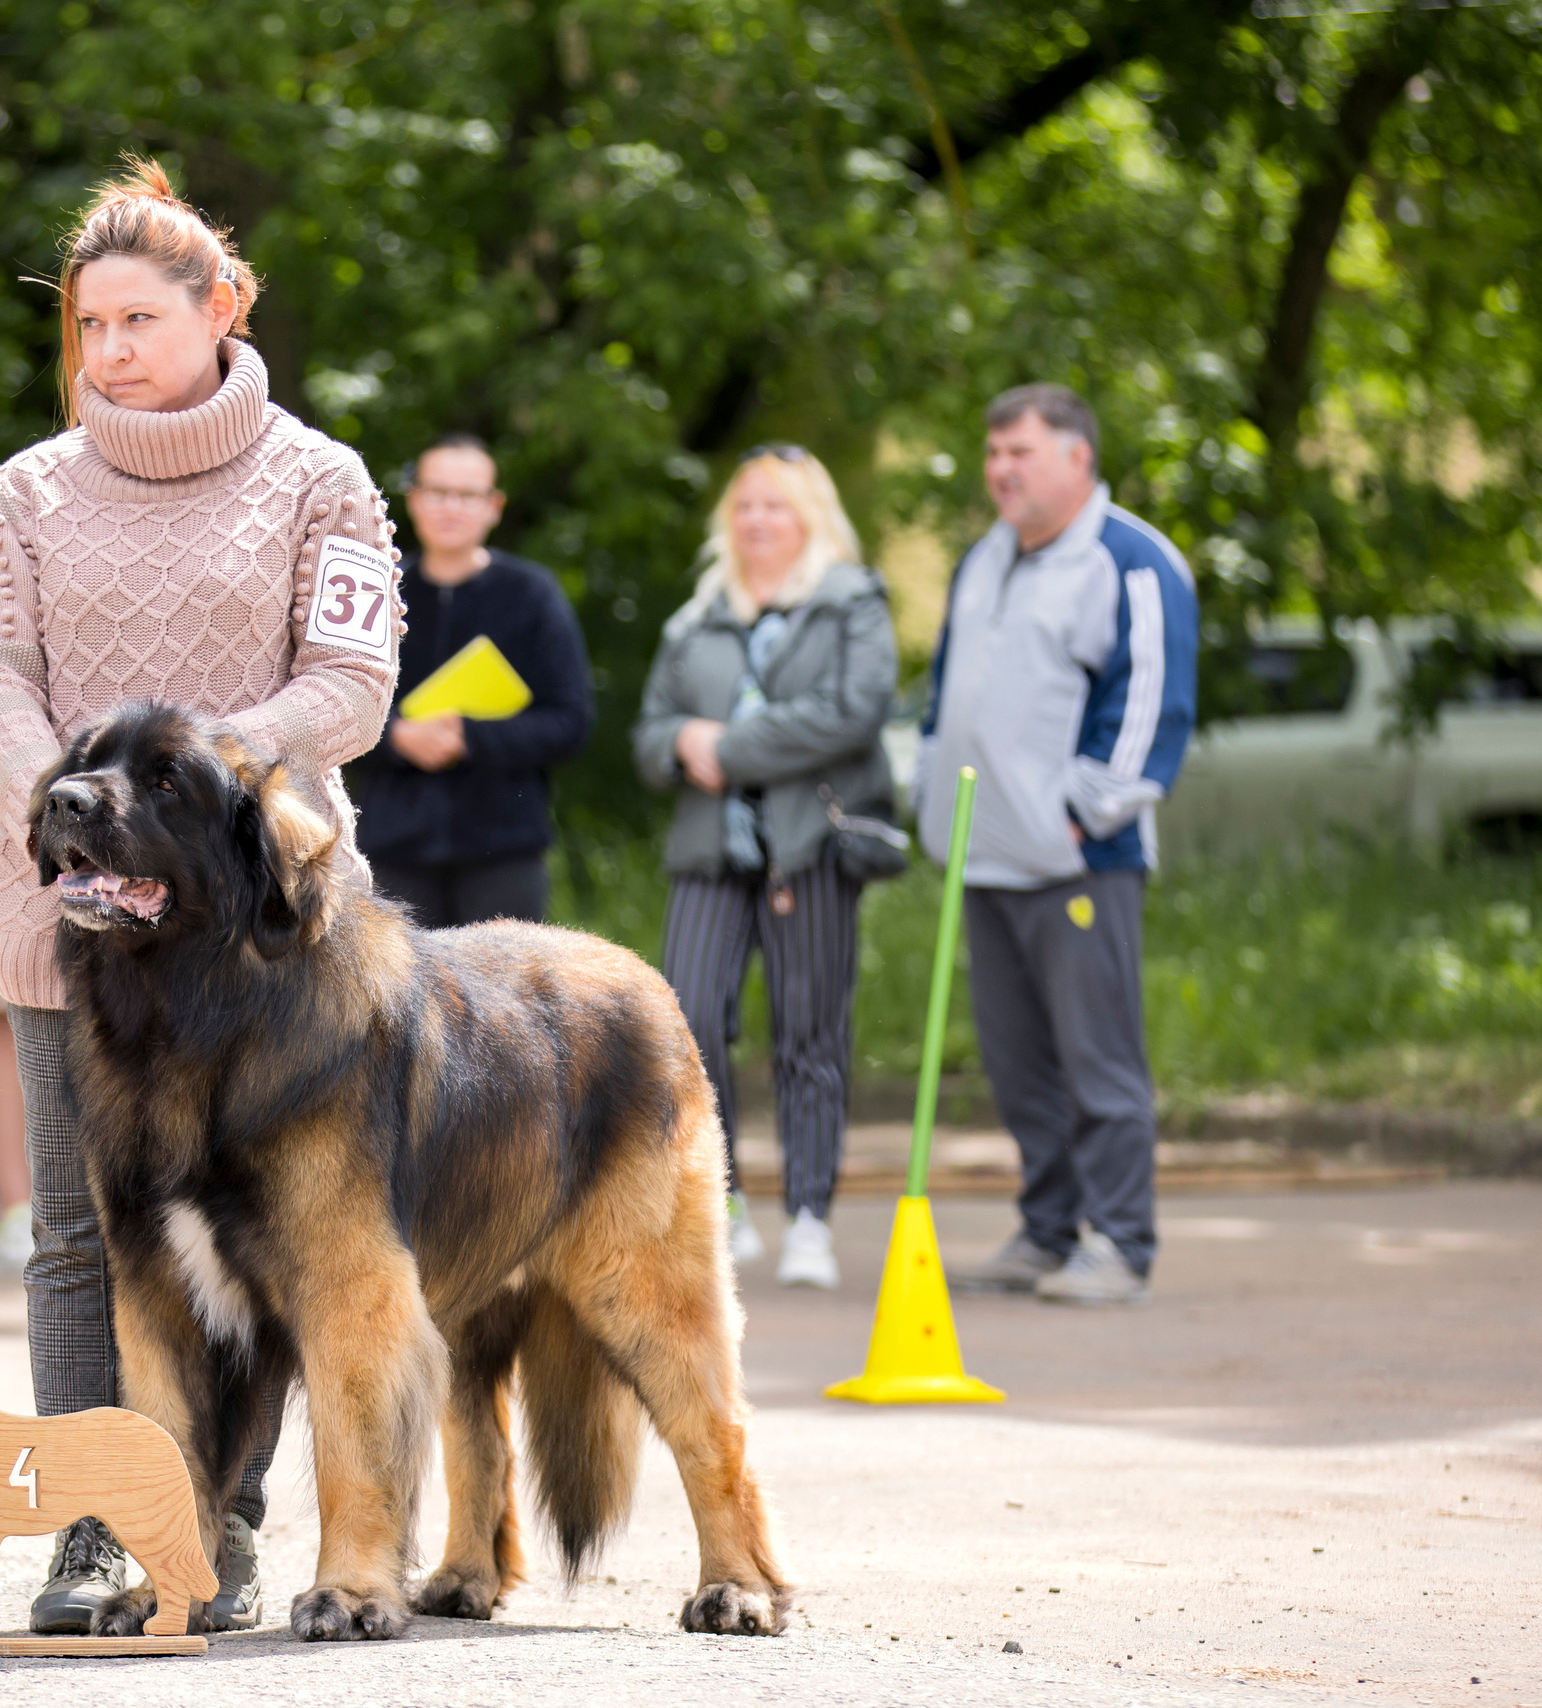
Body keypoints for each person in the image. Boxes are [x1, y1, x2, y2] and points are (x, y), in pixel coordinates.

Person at [0, 157, 400, 1633]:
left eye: (137, 319)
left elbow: (351, 684)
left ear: (224, 307)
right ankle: (94, 1528)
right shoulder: (25, 492)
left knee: (269, 1220)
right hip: (66, 904)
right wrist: (73, 806)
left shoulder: (320, 480)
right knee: (86, 1229)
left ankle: (228, 1524)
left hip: (262, 920)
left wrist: (207, 778)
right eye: (88, 327)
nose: (107, 353)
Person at [927, 385, 1196, 1307]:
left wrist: (1081, 813)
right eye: (993, 452)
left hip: (1081, 861)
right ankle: (1047, 1232)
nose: (1001, 468)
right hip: (987, 856)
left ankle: (1120, 1244)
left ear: (1078, 457)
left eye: (1021, 452)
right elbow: (948, 697)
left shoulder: (1132, 561)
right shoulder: (983, 560)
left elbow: (1150, 707)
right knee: (1017, 1062)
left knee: (1098, 1060)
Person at [632, 446, 897, 1289]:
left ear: (810, 517)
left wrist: (730, 746)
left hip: (808, 847)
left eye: (775, 507)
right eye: (744, 506)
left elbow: (853, 714)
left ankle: (811, 1218)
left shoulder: (851, 603)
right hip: (710, 853)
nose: (756, 521)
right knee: (691, 1024)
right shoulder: (698, 616)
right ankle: (729, 1203)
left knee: (808, 1036)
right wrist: (680, 744)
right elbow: (649, 735)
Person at [353, 434, 592, 927]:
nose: (451, 508)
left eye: (468, 495)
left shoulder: (531, 595)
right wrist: (397, 736)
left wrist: (469, 736)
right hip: (392, 849)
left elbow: (570, 721)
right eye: (438, 492)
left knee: (506, 1002)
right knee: (396, 1004)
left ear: (494, 506)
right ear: (414, 500)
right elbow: (330, 705)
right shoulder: (376, 592)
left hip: (502, 848)